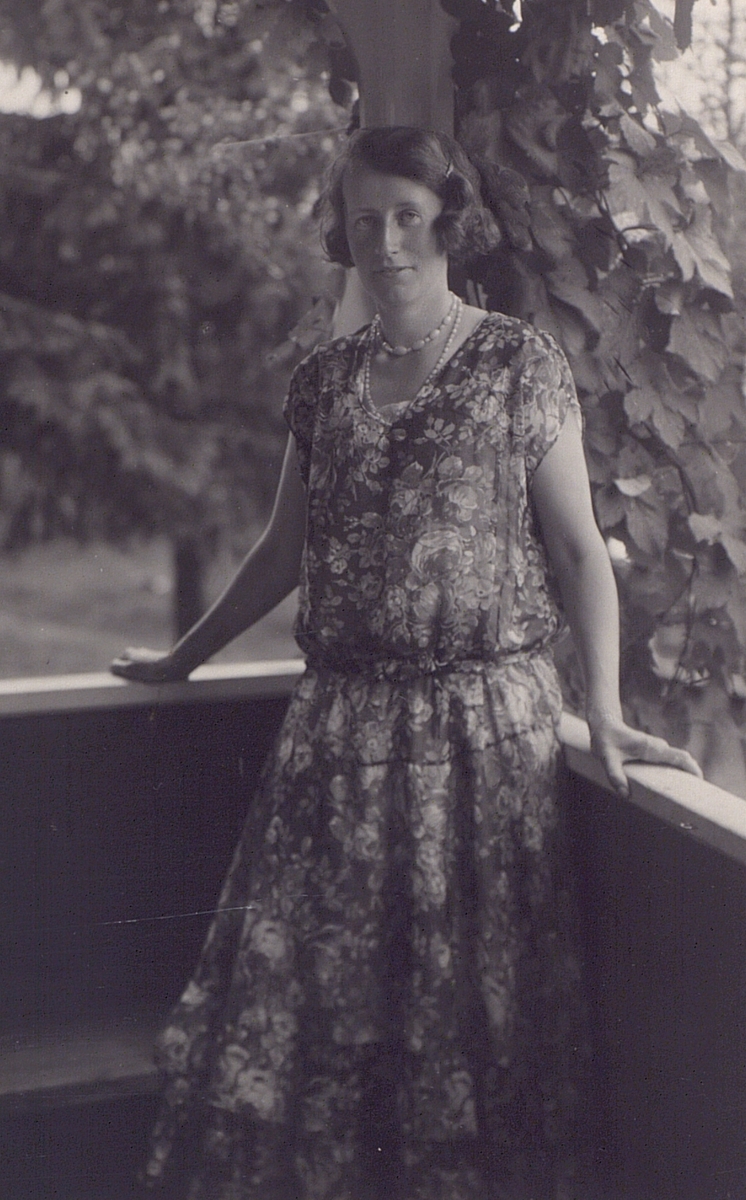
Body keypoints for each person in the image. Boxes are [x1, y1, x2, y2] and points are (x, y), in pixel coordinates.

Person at [112, 127, 701, 1200]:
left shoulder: (519, 365)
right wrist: (180, 660)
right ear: (341, 232)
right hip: (339, 740)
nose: (384, 239)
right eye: (363, 218)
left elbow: (579, 553)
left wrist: (606, 709)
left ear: (445, 223)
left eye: (406, 215)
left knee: (462, 1013)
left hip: (481, 747)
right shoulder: (324, 382)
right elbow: (281, 552)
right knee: (318, 1006)